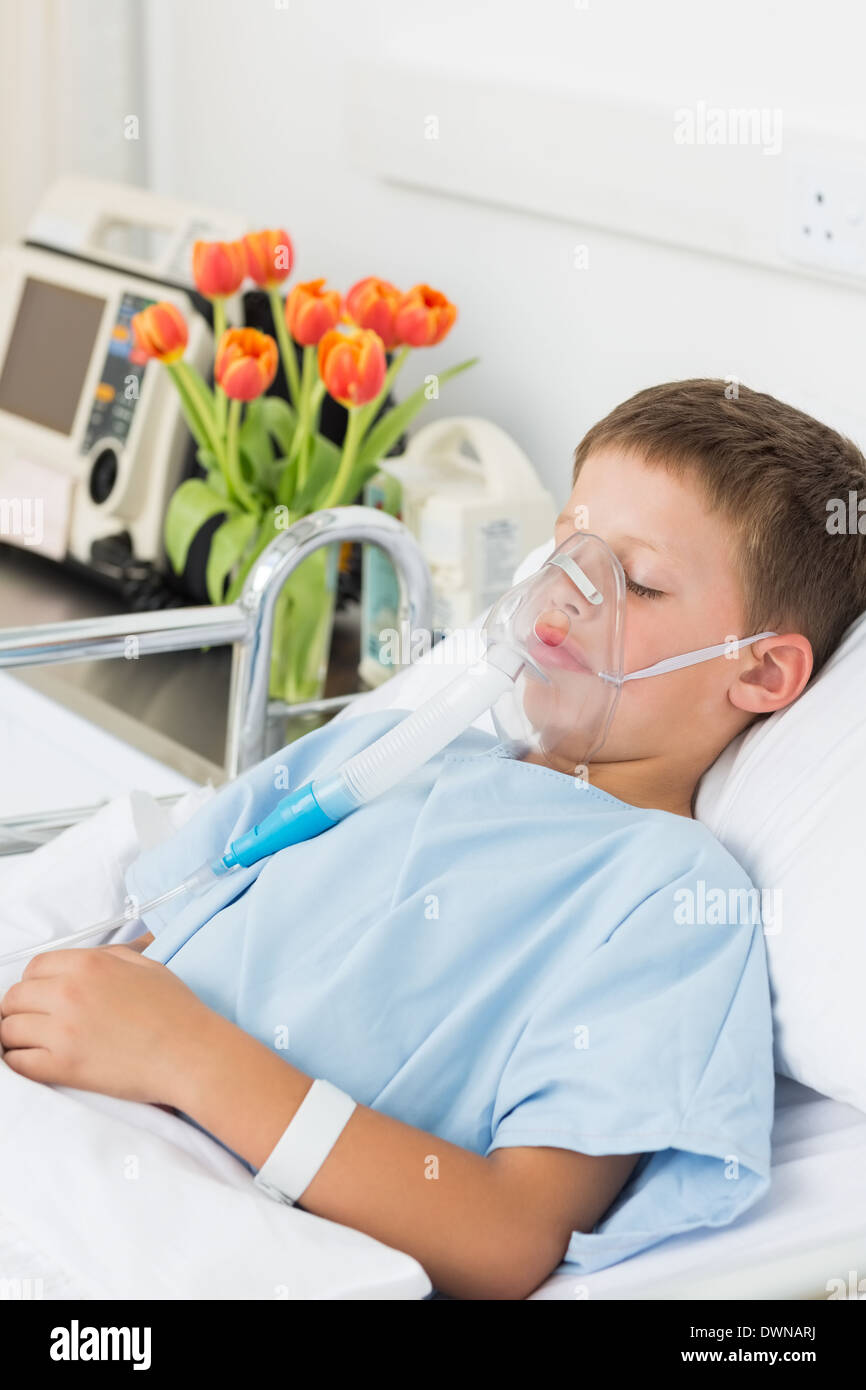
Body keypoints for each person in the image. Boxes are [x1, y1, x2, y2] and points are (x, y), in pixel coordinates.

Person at [3, 379, 865, 1301]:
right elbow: (145, 945)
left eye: (637, 581)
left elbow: (508, 1235)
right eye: (567, 546)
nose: (563, 599)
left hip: (165, 1232)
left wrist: (189, 1058)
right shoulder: (389, 752)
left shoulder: (675, 900)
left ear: (763, 671)